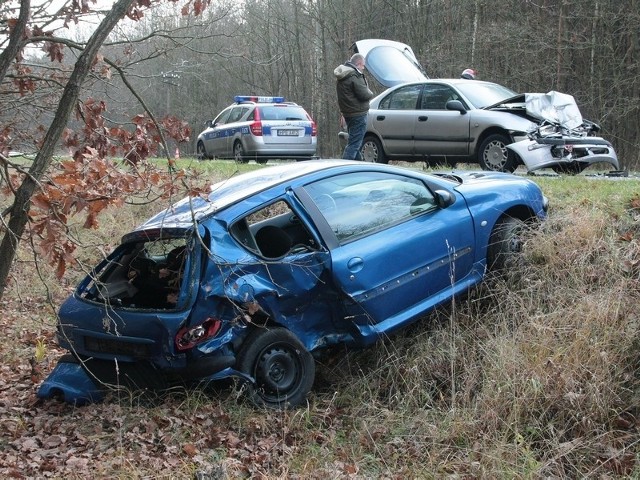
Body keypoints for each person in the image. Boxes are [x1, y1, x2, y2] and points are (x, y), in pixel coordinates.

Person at [334, 53, 374, 160]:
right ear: (359, 63)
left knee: (355, 143)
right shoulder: (354, 76)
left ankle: (360, 168)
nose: (363, 68)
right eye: (363, 66)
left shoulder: (343, 75)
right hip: (358, 114)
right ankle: (343, 170)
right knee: (354, 145)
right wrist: (371, 93)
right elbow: (364, 94)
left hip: (348, 113)